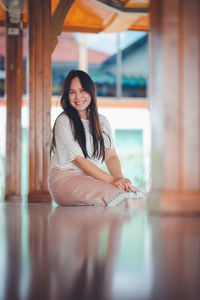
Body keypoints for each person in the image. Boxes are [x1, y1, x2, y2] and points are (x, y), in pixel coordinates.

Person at [48, 69, 145, 208]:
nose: (78, 96)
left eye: (82, 90)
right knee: (123, 199)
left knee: (137, 194)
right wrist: (112, 180)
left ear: (91, 92)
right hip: (64, 180)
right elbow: (79, 160)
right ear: (67, 96)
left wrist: (121, 181)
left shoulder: (102, 121)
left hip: (90, 179)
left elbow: (110, 157)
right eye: (72, 92)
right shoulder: (64, 121)